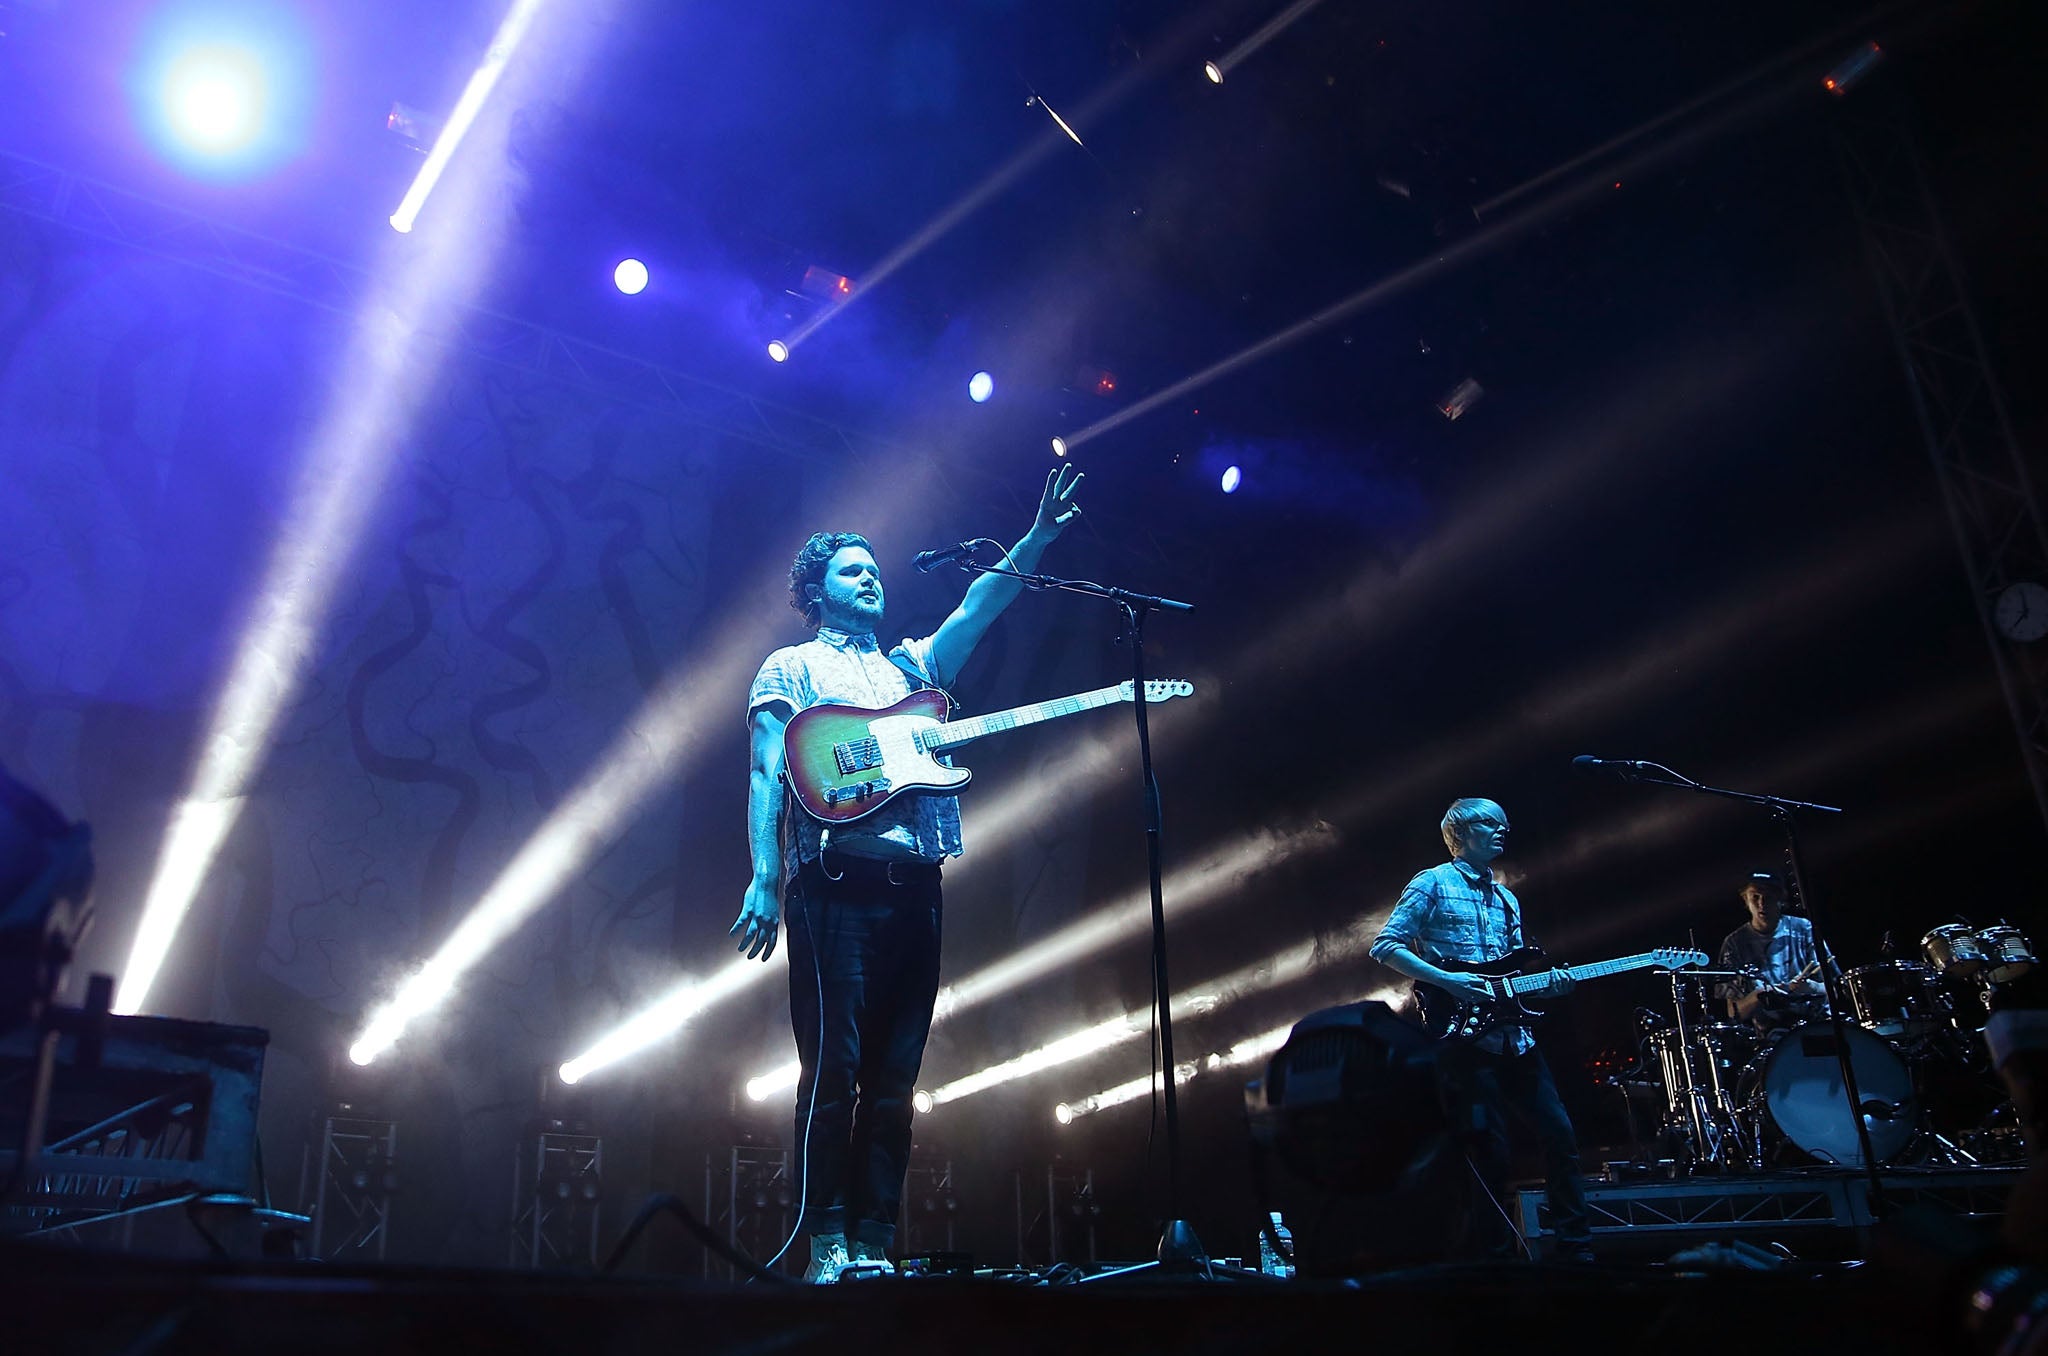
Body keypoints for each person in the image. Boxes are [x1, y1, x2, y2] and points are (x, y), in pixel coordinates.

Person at [731, 465, 1083, 1282]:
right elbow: (763, 774)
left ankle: (870, 1240)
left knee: (896, 1081)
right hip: (833, 889)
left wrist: (1036, 540)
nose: (872, 578)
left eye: (874, 569)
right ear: (815, 590)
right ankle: (822, 1241)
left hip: (915, 891)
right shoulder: (789, 667)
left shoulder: (910, 674)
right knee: (835, 1071)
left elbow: (977, 609)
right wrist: (761, 878)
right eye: (853, 570)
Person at [1369, 797, 1594, 1262]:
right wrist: (1449, 980)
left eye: (1505, 825)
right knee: (1488, 1151)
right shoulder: (1432, 883)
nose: (1502, 831)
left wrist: (1551, 986)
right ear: (1462, 832)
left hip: (1515, 1038)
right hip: (1463, 1039)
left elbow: (1512, 976)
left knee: (1562, 1137)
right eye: (1492, 824)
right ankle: (1492, 1260)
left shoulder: (1507, 897)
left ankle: (1575, 1247)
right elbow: (1384, 946)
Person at [1714, 873, 1826, 1034]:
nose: (1762, 903)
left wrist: (1812, 987)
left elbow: (1836, 990)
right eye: (1755, 897)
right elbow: (1734, 1013)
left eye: (1768, 896)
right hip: (1772, 1037)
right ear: (1746, 900)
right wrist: (1759, 996)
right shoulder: (1734, 944)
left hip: (1819, 1025)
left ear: (1781, 898)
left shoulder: (1804, 929)